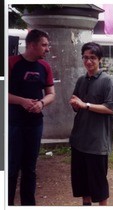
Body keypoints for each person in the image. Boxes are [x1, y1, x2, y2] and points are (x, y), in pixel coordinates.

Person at [8, 29, 55, 205]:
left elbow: (51, 93)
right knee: (12, 167)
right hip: (13, 123)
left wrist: (41, 103)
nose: (47, 49)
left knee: (30, 168)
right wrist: (21, 101)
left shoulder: (45, 67)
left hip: (35, 124)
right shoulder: (10, 63)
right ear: (31, 45)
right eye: (44, 45)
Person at [69, 42, 113, 206]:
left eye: (92, 58)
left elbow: (111, 109)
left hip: (97, 143)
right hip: (79, 140)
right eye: (85, 57)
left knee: (99, 185)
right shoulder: (81, 80)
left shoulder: (107, 81)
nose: (88, 61)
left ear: (100, 60)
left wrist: (86, 105)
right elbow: (77, 102)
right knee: (82, 185)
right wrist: (76, 104)